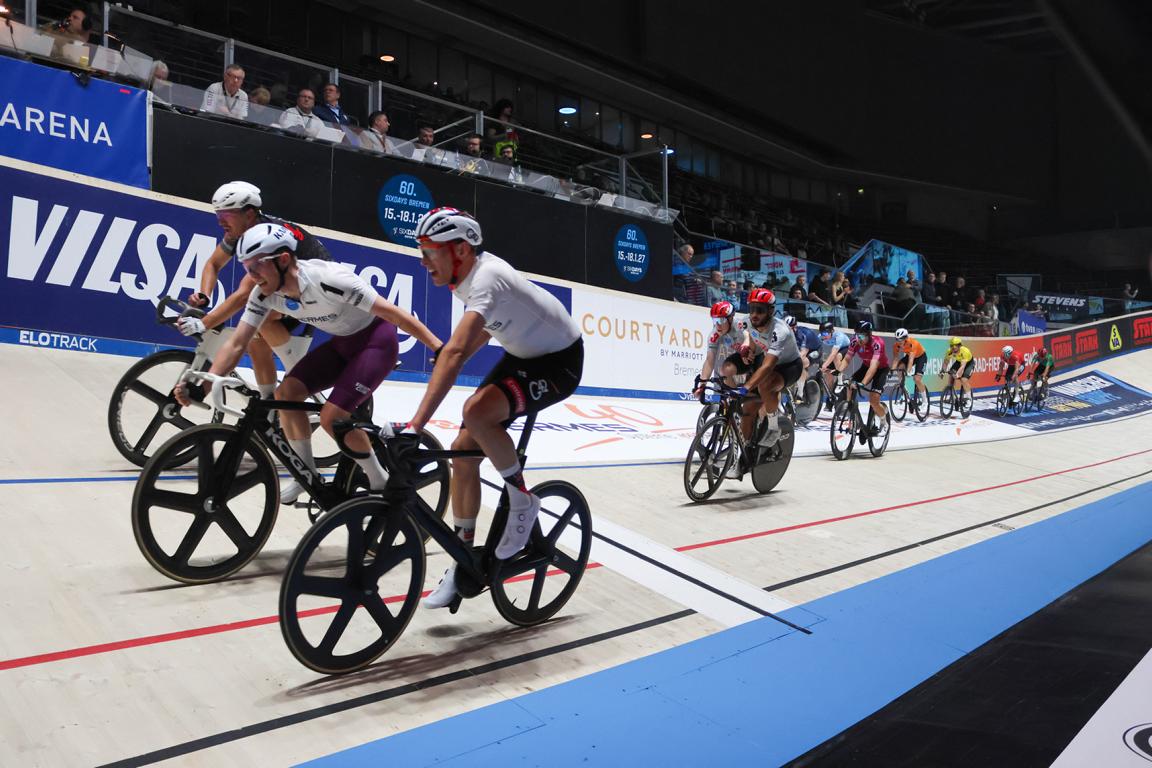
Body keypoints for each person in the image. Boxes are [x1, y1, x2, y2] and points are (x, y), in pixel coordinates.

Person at [174, 223, 441, 504]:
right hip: (342, 344)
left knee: (332, 418)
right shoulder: (263, 293)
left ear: (284, 259)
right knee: (286, 394)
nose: (251, 276)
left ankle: (379, 480)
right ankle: (307, 475)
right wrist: (202, 387)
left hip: (377, 343)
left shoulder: (330, 280)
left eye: (256, 266)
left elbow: (396, 314)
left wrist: (437, 347)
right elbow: (238, 343)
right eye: (246, 267)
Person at [405, 208, 584, 609]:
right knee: (463, 454)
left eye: (430, 251)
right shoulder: (462, 278)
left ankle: (521, 497)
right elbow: (483, 333)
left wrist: (415, 425)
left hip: (560, 361)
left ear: (461, 249)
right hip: (524, 355)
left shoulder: (486, 277)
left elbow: (453, 352)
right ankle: (463, 558)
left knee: (477, 413)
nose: (423, 261)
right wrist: (456, 355)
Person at [176, 182, 331, 475]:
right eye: (217, 214)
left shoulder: (263, 238)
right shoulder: (238, 233)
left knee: (261, 317)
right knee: (252, 339)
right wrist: (205, 296)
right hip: (287, 287)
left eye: (226, 215)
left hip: (314, 288)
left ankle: (298, 375)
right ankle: (270, 404)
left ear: (249, 214)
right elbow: (212, 264)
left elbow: (244, 295)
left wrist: (203, 322)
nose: (220, 221)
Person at [738, 289, 802, 451]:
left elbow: (767, 367)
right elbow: (753, 338)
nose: (754, 314)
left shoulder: (780, 331)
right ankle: (744, 454)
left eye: (759, 310)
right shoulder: (748, 321)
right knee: (747, 411)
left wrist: (745, 388)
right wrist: (749, 350)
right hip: (769, 359)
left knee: (765, 384)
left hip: (789, 366)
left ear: (771, 311)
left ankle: (773, 427)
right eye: (752, 308)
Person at [832, 320, 889, 433]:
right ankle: (853, 416)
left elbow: (873, 367)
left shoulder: (877, 343)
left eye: (862, 336)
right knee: (850, 385)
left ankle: (884, 419)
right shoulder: (854, 341)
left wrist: (863, 382)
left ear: (869, 335)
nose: (859, 339)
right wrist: (839, 371)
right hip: (866, 366)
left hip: (880, 369)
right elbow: (847, 359)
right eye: (857, 335)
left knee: (873, 400)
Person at [696, 301, 750, 395]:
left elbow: (747, 337)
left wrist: (744, 347)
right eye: (715, 320)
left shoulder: (738, 324)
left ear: (730, 318)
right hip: (740, 359)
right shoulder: (714, 334)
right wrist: (702, 385)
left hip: (752, 355)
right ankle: (734, 400)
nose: (717, 325)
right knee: (724, 374)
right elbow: (710, 360)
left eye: (721, 320)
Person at [786, 315, 822, 400]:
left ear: (794, 327)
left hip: (814, 351)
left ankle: (800, 393)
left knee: (800, 363)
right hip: (800, 350)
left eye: (789, 329)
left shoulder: (804, 334)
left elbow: (803, 353)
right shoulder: (786, 334)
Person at [818, 320, 852, 408]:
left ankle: (840, 381)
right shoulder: (821, 337)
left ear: (832, 332)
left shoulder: (839, 336)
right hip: (837, 350)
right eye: (822, 334)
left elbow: (833, 354)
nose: (823, 336)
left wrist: (825, 364)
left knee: (836, 356)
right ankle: (830, 396)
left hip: (847, 348)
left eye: (825, 334)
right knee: (828, 374)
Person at [891, 328, 928, 408]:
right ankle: (905, 391)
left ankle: (925, 401)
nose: (899, 342)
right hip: (909, 356)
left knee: (917, 379)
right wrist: (892, 370)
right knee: (900, 367)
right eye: (897, 339)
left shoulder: (913, 343)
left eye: (900, 340)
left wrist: (908, 371)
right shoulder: (896, 345)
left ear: (905, 338)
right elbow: (895, 359)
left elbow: (911, 360)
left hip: (921, 357)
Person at [940, 336, 975, 407]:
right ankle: (951, 393)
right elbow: (946, 362)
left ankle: (969, 399)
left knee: (963, 380)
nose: (953, 348)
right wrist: (942, 371)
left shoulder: (965, 351)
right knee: (951, 375)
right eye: (951, 346)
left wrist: (958, 374)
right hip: (958, 362)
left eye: (955, 347)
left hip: (969, 364)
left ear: (959, 346)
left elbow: (963, 366)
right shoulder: (949, 351)